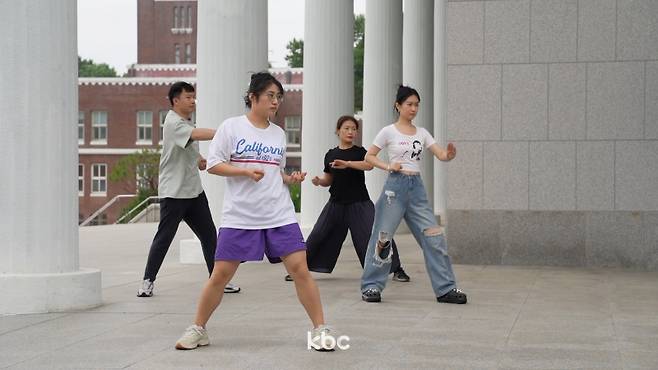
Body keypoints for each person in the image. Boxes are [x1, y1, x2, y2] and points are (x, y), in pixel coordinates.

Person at [175, 72, 337, 351]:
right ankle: (198, 329)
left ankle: (320, 329)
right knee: (221, 274)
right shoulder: (231, 127)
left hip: (279, 213)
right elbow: (213, 164)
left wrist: (290, 178)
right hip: (241, 215)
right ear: (253, 97)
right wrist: (244, 171)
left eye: (279, 97)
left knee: (300, 269)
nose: (276, 102)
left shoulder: (278, 134)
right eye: (270, 96)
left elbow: (275, 172)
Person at [360, 85, 468, 304]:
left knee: (434, 238)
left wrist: (448, 155)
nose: (413, 108)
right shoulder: (388, 131)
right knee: (383, 238)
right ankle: (371, 286)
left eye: (416, 105)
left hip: (416, 189)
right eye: (409, 104)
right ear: (398, 106)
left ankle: (446, 289)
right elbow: (369, 156)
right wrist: (388, 165)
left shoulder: (422, 133)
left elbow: (440, 154)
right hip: (394, 189)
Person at [137, 81, 240, 297]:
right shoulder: (173, 122)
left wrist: (200, 159)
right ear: (176, 101)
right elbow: (195, 135)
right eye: (188, 97)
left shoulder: (185, 122)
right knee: (164, 237)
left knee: (210, 235)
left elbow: (189, 146)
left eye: (194, 97)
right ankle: (147, 281)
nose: (193, 101)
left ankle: (218, 280)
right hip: (174, 193)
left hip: (193, 192)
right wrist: (225, 132)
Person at [283, 115, 411, 282]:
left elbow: (369, 165)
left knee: (377, 235)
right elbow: (328, 180)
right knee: (318, 235)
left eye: (354, 129)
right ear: (338, 131)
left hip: (360, 203)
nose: (351, 132)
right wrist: (319, 181)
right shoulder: (330, 154)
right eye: (346, 128)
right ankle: (299, 270)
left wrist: (348, 163)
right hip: (336, 204)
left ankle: (397, 269)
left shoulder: (360, 152)